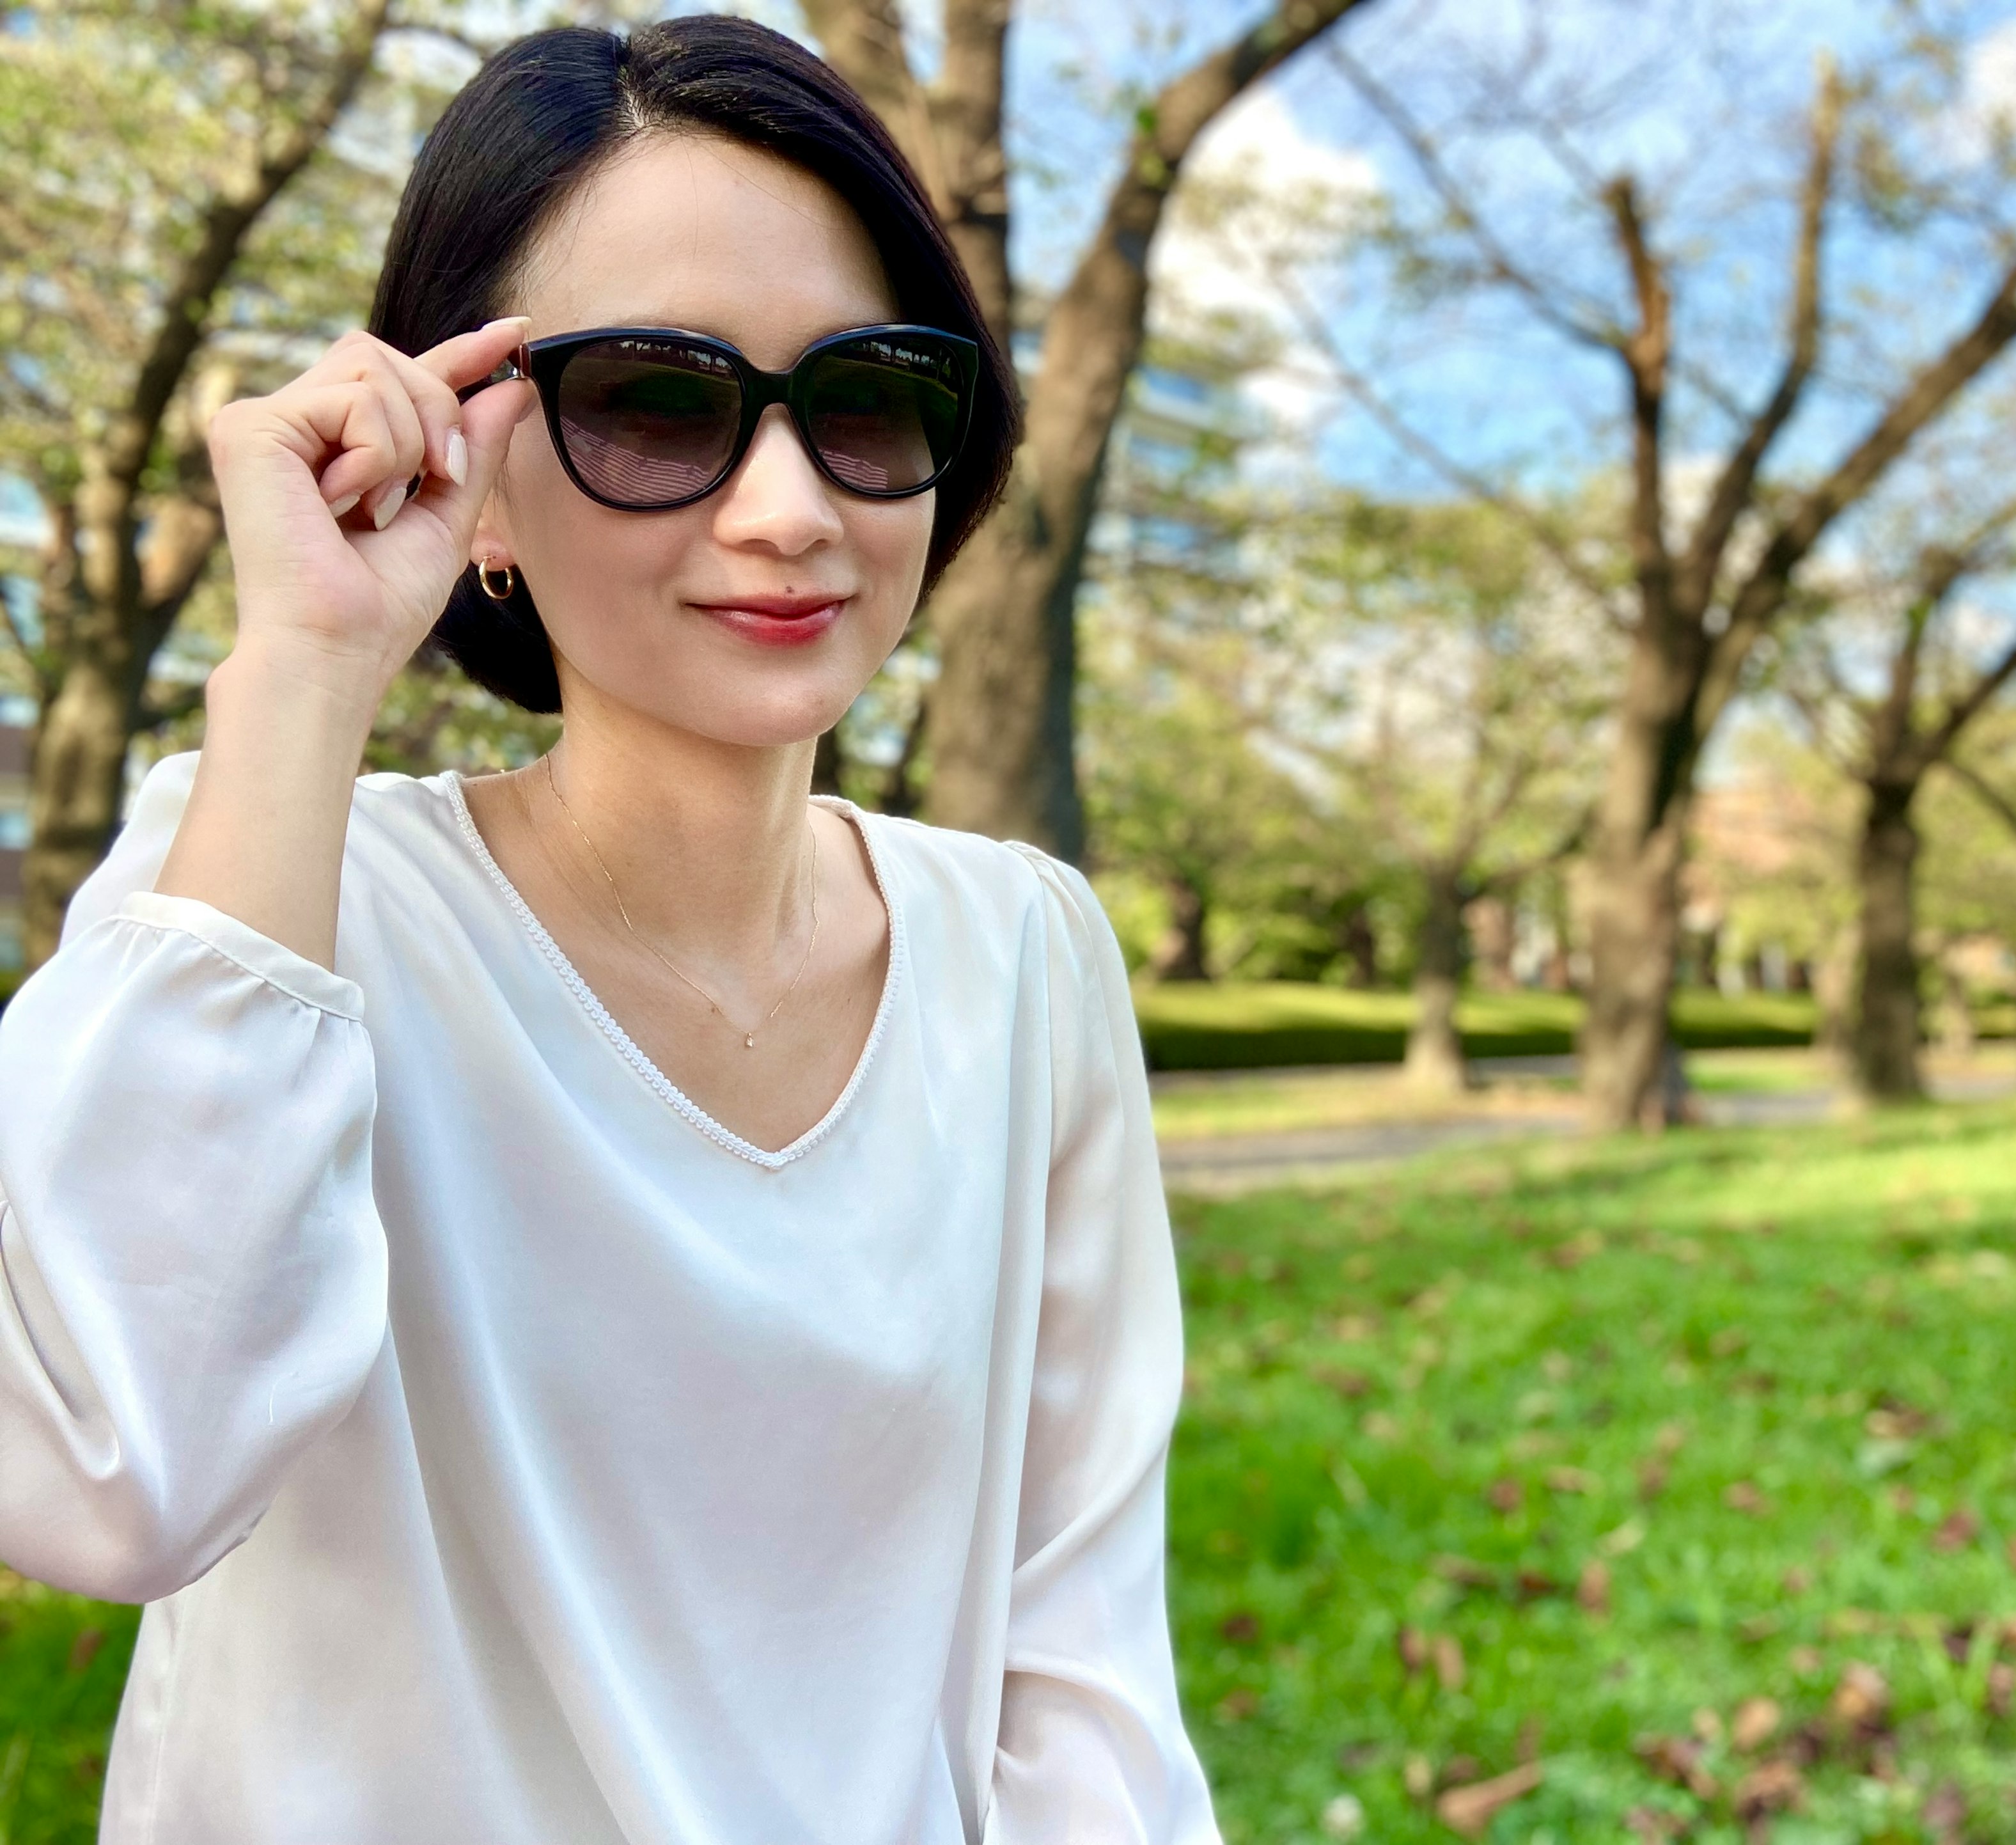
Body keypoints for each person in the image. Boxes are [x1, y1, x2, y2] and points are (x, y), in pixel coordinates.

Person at [0, 16, 1218, 1841]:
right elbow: (109, 1476)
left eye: (870, 395)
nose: (791, 510)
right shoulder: (276, 893)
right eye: (657, 401)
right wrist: (307, 670)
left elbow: (1082, 1668)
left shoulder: (1027, 953)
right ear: (470, 458)